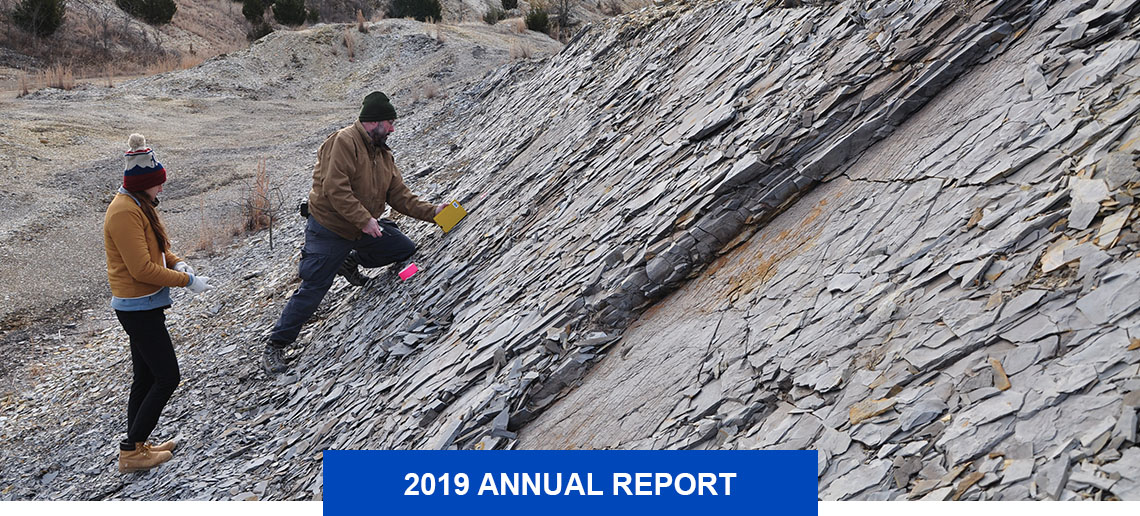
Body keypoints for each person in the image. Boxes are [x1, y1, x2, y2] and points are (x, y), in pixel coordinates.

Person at [263, 91, 445, 374]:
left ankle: (350, 260)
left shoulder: (383, 153)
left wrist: (434, 213)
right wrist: (363, 220)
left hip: (361, 227)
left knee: (403, 248)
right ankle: (275, 345)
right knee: (314, 287)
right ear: (373, 122)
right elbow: (336, 189)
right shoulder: (343, 142)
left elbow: (399, 195)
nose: (393, 129)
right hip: (329, 229)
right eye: (390, 123)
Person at [103, 134, 215, 473]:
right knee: (167, 377)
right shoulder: (124, 213)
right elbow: (141, 268)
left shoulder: (138, 206)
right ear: (144, 185)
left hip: (144, 305)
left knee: (145, 378)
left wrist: (178, 262)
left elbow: (158, 252)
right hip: (137, 308)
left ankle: (137, 443)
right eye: (158, 185)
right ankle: (131, 452)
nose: (161, 190)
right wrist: (187, 282)